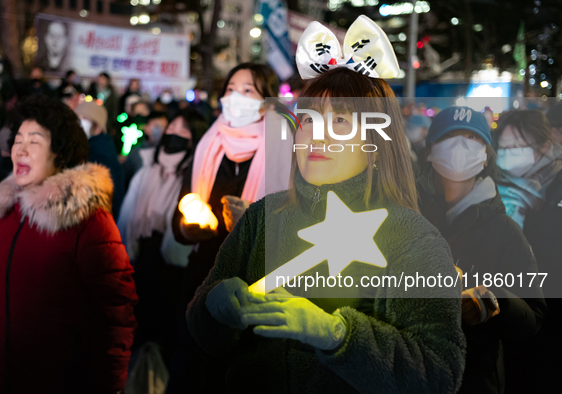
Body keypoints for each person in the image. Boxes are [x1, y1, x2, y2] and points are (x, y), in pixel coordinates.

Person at [186, 16, 465, 393]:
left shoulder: (413, 238)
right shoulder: (263, 217)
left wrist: (336, 334)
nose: (318, 136)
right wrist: (213, 307)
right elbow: (205, 332)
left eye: (341, 121)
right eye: (309, 119)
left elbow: (438, 373)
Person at [0, 95, 138, 393]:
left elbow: (116, 313)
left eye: (34, 142)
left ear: (60, 154)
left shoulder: (88, 220)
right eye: (18, 139)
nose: (20, 149)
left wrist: (108, 384)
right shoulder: (2, 216)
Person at [168, 62, 293, 392]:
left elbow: (296, 225)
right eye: (230, 90)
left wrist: (250, 226)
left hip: (256, 279)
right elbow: (180, 216)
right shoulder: (209, 144)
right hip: (202, 273)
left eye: (248, 90)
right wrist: (189, 228)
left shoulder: (285, 148)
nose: (235, 97)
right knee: (192, 366)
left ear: (267, 100)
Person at [417, 106, 546, 394]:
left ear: (486, 154)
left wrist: (493, 302)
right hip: (412, 373)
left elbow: (534, 316)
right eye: (450, 136)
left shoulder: (504, 230)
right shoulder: (408, 215)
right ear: (430, 151)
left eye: (472, 138)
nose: (461, 147)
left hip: (474, 380)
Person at [117, 108, 208, 357]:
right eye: (172, 127)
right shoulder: (146, 172)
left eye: (183, 129)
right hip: (141, 260)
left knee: (166, 330)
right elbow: (126, 219)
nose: (173, 133)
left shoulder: (196, 177)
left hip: (175, 267)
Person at [493, 109, 562, 393]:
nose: (509, 155)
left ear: (543, 147)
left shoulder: (558, 186)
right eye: (504, 148)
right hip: (514, 309)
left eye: (518, 147)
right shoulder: (494, 189)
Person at [75, 100, 126, 219]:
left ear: (97, 126)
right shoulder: (97, 146)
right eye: (76, 118)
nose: (78, 123)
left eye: (83, 118)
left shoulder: (97, 154)